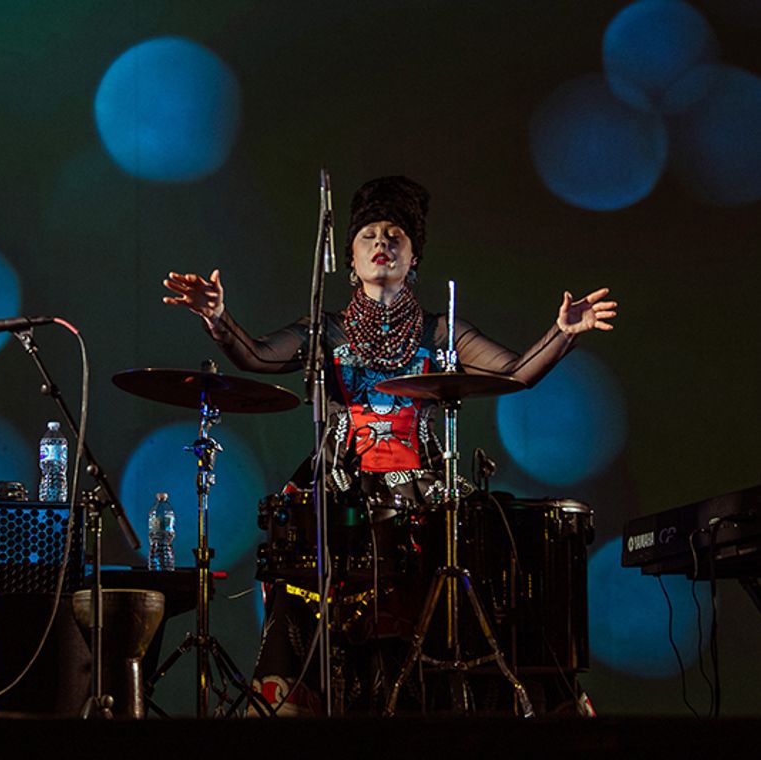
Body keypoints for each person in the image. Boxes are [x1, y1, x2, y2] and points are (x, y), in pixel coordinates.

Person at [162, 175, 616, 715]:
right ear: (350, 261)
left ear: (412, 258)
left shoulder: (439, 331)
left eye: (395, 235)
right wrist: (218, 318)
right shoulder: (325, 331)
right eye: (370, 236)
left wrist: (563, 332)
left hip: (421, 492)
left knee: (496, 543)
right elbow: (256, 357)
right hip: (339, 489)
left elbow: (515, 374)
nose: (383, 243)